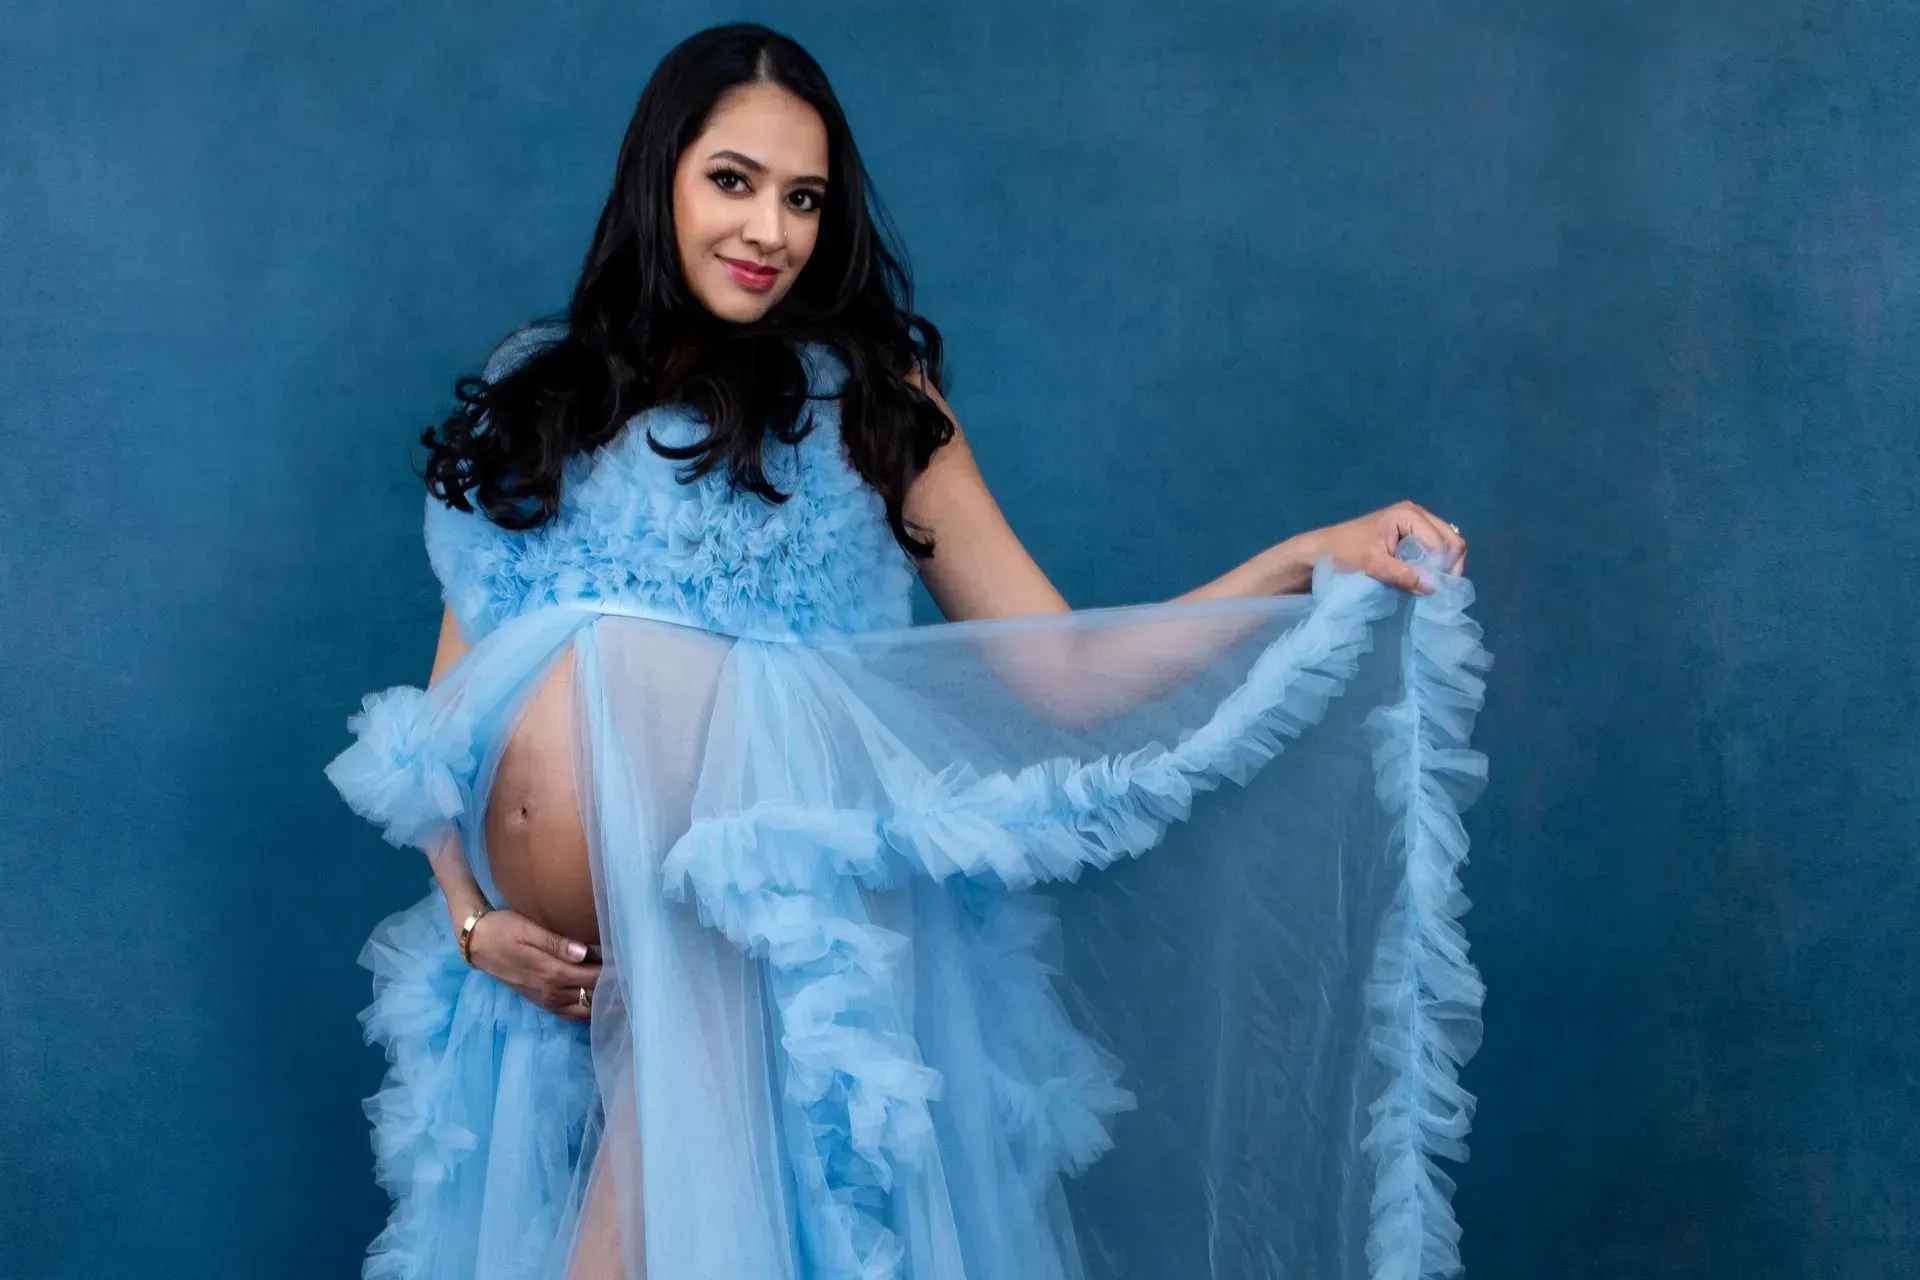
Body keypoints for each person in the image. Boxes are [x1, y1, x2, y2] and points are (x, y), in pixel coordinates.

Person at [327, 21, 1484, 1280]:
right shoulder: (546, 397)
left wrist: (1300, 557)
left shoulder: (867, 406)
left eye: (804, 198)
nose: (770, 230)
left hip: (740, 930)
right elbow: (449, 716)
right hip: (554, 988)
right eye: (734, 181)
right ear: (658, 178)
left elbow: (1065, 672)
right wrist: (469, 919)